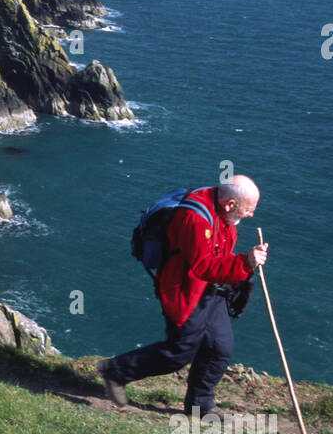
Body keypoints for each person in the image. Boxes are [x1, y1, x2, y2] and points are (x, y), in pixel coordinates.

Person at [98, 175, 268, 418]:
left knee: (220, 348)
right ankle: (116, 371)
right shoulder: (196, 219)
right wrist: (246, 263)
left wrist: (241, 268)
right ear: (230, 204)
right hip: (184, 292)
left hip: (211, 290)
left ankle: (200, 406)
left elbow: (217, 257)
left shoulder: (219, 209)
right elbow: (203, 266)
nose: (251, 215)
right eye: (248, 209)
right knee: (179, 352)